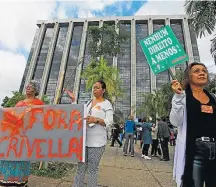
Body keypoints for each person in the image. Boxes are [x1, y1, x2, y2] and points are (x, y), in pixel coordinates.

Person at [170, 62, 216, 187]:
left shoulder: (213, 98)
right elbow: (175, 121)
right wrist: (178, 97)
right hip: (195, 151)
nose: (202, 73)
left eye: (204, 70)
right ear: (188, 76)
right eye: (196, 71)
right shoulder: (182, 97)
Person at [67, 80, 113, 187]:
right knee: (80, 168)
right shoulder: (88, 103)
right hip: (84, 142)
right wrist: (74, 100)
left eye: (97, 87)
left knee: (92, 169)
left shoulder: (106, 104)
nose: (94, 89)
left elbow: (109, 122)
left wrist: (96, 120)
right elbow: (79, 114)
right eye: (94, 87)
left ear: (103, 90)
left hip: (97, 143)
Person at [0, 80, 44, 187]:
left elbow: (41, 120)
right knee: (10, 158)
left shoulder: (39, 104)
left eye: (32, 86)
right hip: (14, 137)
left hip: (27, 137)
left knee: (22, 159)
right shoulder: (19, 103)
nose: (28, 87)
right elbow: (12, 118)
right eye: (27, 86)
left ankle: (20, 182)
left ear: (36, 90)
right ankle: (6, 181)